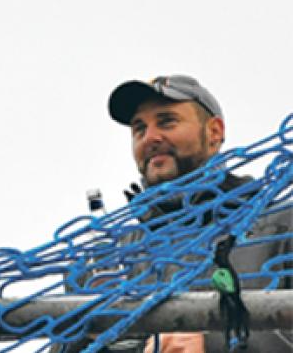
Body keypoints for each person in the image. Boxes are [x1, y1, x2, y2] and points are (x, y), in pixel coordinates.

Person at [105, 75, 292, 352]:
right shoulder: (115, 256)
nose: (151, 138)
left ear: (214, 132)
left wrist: (212, 343)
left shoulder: (280, 226)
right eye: (139, 129)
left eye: (167, 121)